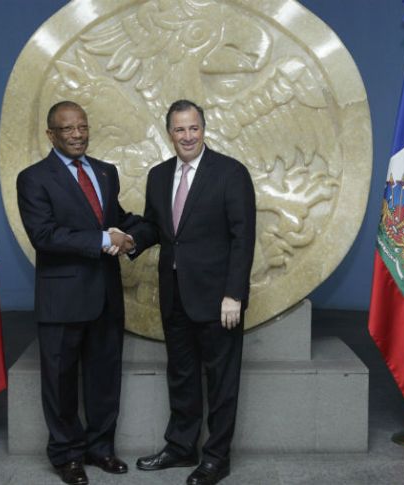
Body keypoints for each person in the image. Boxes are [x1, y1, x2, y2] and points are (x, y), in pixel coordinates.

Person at [128, 99, 256, 485]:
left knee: (221, 382)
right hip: (175, 296)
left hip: (219, 301)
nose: (188, 136)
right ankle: (181, 448)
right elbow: (156, 229)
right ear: (170, 133)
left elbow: (243, 238)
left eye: (194, 128)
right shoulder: (158, 176)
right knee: (181, 376)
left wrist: (234, 294)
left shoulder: (230, 173)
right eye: (180, 129)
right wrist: (129, 240)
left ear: (204, 129)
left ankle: (216, 457)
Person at [16, 101, 139, 485]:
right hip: (62, 301)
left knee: (105, 380)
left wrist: (142, 234)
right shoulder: (33, 179)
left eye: (82, 127)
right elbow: (44, 235)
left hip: (105, 297)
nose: (77, 134)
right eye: (67, 129)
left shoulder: (105, 171)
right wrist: (105, 239)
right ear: (50, 134)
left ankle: (101, 449)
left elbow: (116, 219)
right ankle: (66, 455)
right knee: (60, 383)